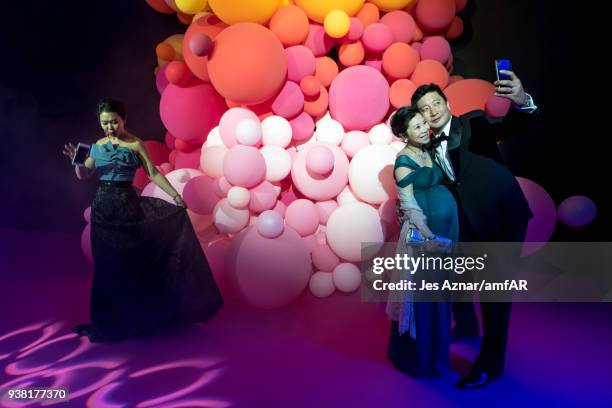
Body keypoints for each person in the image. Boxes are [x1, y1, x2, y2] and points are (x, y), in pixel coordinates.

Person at [410, 71, 538, 389]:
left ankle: (489, 366)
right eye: (425, 108)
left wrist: (522, 100)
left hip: (501, 218)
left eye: (436, 103)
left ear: (447, 104)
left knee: (495, 295)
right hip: (467, 222)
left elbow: (514, 125)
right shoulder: (424, 147)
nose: (433, 110)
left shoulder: (475, 123)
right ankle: (466, 325)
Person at [62, 97, 224, 343]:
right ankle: (107, 321)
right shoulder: (96, 145)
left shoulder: (136, 144)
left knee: (134, 264)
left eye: (113, 122)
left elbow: (153, 172)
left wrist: (174, 196)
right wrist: (76, 160)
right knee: (106, 268)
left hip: (128, 207)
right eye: (104, 123)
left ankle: (141, 317)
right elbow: (85, 174)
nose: (109, 128)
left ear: (124, 119)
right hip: (104, 209)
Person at [386, 106, 459, 378]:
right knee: (422, 299)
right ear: (404, 134)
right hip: (423, 238)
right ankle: (418, 360)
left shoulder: (427, 150)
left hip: (443, 233)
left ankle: (437, 355)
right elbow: (409, 204)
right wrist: (430, 237)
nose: (423, 128)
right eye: (415, 126)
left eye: (422, 123)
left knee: (439, 296)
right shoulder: (403, 160)